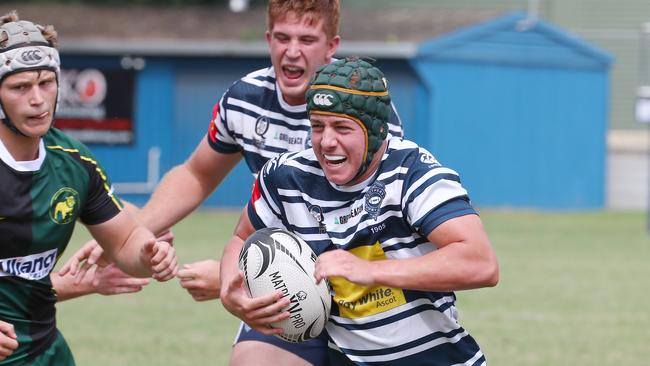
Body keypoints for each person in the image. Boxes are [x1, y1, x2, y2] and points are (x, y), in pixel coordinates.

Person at [62, 1, 403, 365]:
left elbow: (371, 221)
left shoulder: (361, 106)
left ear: (331, 46)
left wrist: (244, 273)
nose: (292, 51)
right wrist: (129, 234)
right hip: (286, 286)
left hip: (361, 282)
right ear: (268, 39)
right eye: (283, 38)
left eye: (306, 39)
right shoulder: (245, 99)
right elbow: (197, 174)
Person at [220, 57, 499, 365]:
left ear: (377, 129)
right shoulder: (286, 178)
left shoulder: (412, 173)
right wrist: (231, 292)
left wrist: (369, 271)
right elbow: (242, 237)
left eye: (342, 127)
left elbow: (480, 263)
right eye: (317, 126)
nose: (326, 142)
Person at [0, 12, 178, 365]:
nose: (38, 99)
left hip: (44, 351)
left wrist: (147, 255)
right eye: (20, 86)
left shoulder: (74, 163)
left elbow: (125, 242)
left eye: (46, 82)